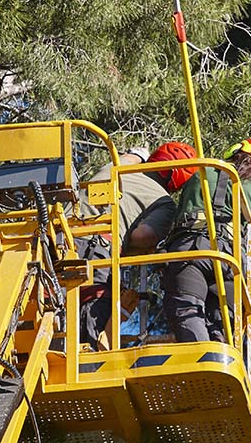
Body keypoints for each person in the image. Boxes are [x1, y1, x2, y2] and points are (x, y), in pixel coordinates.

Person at [162, 137, 251, 343]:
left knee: (187, 310)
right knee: (222, 324)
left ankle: (202, 357)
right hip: (230, 263)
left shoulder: (202, 171)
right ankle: (217, 359)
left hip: (191, 252)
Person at [78, 141, 197, 349]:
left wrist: (137, 155)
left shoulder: (115, 167)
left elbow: (127, 158)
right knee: (93, 305)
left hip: (57, 239)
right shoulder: (163, 201)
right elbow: (144, 235)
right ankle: (88, 358)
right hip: (98, 250)